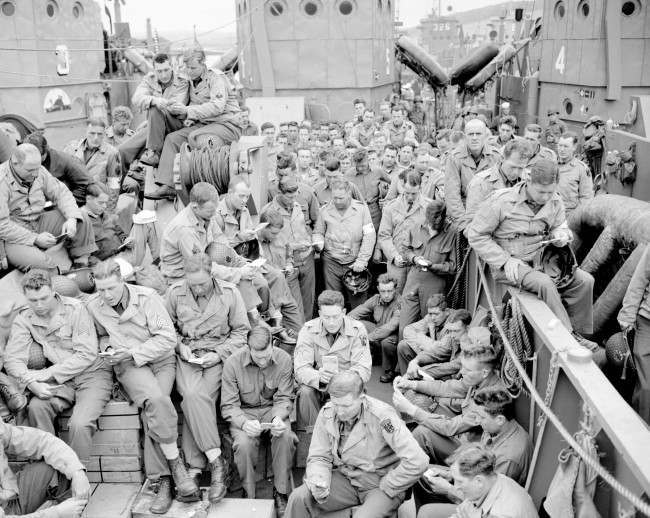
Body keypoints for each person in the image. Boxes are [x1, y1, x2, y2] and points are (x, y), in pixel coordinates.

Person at [87, 259, 199, 514]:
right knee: (157, 400)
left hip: (158, 360)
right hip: (128, 366)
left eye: (111, 289)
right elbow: (99, 336)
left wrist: (132, 351)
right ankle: (177, 467)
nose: (106, 295)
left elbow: (168, 338)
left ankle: (164, 481)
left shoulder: (147, 297)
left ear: (123, 281)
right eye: (101, 289)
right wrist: (107, 349)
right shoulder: (93, 306)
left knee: (154, 408)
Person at [468, 159, 595, 342]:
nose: (545, 197)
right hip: (510, 264)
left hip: (541, 259)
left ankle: (580, 332)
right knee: (544, 284)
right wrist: (505, 260)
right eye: (541, 192)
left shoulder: (555, 201)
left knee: (585, 281)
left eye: (550, 192)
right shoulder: (502, 202)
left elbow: (559, 226)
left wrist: (561, 235)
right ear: (528, 182)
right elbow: (476, 235)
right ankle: (568, 338)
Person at [4, 269, 113, 473]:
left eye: (43, 298)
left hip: (91, 374)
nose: (39, 305)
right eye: (32, 300)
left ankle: (75, 480)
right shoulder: (24, 317)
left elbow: (86, 355)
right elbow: (12, 359)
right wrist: (30, 383)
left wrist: (45, 374)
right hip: (62, 380)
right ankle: (49, 474)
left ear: (53, 291)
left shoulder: (76, 309)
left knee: (79, 424)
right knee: (37, 407)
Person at [285, 371, 428, 518]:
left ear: (361, 398)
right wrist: (319, 480)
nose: (339, 411)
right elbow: (319, 456)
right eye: (336, 404)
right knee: (299, 498)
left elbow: (418, 460)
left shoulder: (383, 417)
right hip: (348, 477)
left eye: (346, 406)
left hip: (379, 483)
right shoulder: (327, 412)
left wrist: (390, 483)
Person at [165, 253, 249, 503]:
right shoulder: (174, 293)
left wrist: (219, 353)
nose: (197, 288)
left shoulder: (230, 293)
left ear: (211, 274)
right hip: (188, 356)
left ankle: (194, 468)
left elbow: (242, 332)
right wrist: (180, 347)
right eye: (193, 284)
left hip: (217, 355)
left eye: (202, 283)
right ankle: (218, 462)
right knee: (192, 395)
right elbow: (165, 330)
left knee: (198, 399)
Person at [143, 48, 241, 201]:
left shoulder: (216, 78)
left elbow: (217, 106)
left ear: (203, 64)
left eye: (193, 68)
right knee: (172, 139)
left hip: (227, 124)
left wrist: (188, 111)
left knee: (195, 137)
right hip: (204, 124)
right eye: (187, 67)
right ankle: (168, 186)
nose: (189, 71)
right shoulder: (189, 80)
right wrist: (181, 112)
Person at [221, 326, 296, 515]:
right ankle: (249, 492)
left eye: (266, 355)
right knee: (244, 444)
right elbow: (228, 405)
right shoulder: (232, 363)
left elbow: (285, 397)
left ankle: (280, 492)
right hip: (244, 413)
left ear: (273, 344)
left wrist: (279, 417)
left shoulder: (284, 359)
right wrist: (244, 423)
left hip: (273, 410)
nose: (263, 361)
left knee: (285, 436)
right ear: (248, 348)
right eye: (257, 356)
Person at [0, 143, 97, 271]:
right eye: (30, 170)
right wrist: (34, 239)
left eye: (37, 168)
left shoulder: (38, 170)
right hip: (13, 235)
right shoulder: (2, 180)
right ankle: (57, 279)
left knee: (80, 217)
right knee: (41, 263)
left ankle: (81, 264)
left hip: (37, 221)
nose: (35, 174)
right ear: (15, 163)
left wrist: (72, 218)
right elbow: (2, 225)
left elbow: (60, 193)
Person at [293, 290, 372, 433]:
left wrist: (343, 379)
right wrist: (318, 377)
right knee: (305, 392)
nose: (331, 322)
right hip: (320, 384)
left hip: (347, 384)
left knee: (353, 396)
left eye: (335, 317)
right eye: (326, 317)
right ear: (319, 313)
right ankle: (314, 434)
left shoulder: (358, 330)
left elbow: (364, 369)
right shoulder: (308, 330)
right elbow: (300, 368)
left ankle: (347, 433)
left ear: (344, 312)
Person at [0, 419, 91, 517]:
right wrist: (57, 513)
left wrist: (77, 472)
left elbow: (41, 441)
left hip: (9, 498)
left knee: (61, 468)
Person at [417, 445, 538, 518]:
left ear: (478, 481)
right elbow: (463, 511)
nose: (456, 487)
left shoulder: (502, 514)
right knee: (426, 512)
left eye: (459, 481)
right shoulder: (488, 480)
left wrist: (449, 490)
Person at [312, 179, 376, 309]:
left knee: (359, 304)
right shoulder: (325, 210)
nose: (337, 201)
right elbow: (318, 232)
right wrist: (318, 242)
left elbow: (369, 235)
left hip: (354, 263)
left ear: (349, 194)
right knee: (333, 301)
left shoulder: (361, 209)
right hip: (331, 263)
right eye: (334, 198)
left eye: (341, 198)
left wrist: (362, 261)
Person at [119, 52, 190, 170]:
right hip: (155, 126)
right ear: (154, 70)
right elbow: (136, 99)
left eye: (166, 70)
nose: (163, 75)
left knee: (155, 109)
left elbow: (176, 108)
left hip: (176, 124)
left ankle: (154, 153)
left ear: (172, 66)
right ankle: (118, 186)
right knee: (123, 151)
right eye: (159, 71)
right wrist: (154, 100)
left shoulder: (182, 81)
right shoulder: (149, 79)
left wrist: (156, 104)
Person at [399, 201, 455, 333]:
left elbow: (453, 267)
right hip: (413, 281)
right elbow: (405, 249)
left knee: (430, 328)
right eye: (431, 222)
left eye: (437, 223)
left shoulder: (452, 232)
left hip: (434, 285)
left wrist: (434, 266)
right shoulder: (417, 226)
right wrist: (414, 258)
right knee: (404, 328)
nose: (433, 226)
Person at [260, 189, 315, 321]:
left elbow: (288, 253)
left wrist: (289, 265)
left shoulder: (280, 237)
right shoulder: (254, 244)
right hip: (269, 289)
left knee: (297, 315)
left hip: (286, 282)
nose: (276, 237)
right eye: (273, 233)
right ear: (263, 227)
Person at [378, 170, 430, 293]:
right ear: (402, 186)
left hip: (418, 264)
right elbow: (384, 236)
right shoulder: (390, 207)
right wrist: (394, 256)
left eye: (414, 193)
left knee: (415, 298)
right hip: (397, 263)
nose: (410, 197)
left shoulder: (428, 207)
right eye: (407, 193)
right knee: (395, 298)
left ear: (420, 188)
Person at [444, 119, 500, 230]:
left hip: (491, 215)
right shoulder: (454, 158)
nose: (474, 138)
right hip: (465, 215)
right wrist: (464, 224)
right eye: (471, 134)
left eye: (478, 134)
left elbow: (502, 191)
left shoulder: (496, 157)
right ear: (465, 137)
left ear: (485, 136)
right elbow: (452, 196)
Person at [464, 139, 531, 228]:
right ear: (502, 158)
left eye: (521, 168)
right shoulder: (480, 183)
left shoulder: (528, 180)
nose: (516, 172)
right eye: (512, 167)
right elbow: (471, 226)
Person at [349, 274, 402, 383]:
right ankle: (373, 355)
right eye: (383, 291)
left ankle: (390, 370)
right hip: (378, 332)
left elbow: (390, 328)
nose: (386, 295)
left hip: (393, 337)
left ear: (395, 289)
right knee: (358, 325)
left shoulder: (400, 303)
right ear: (378, 289)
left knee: (386, 342)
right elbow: (357, 312)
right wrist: (343, 322)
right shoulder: (376, 299)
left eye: (389, 291)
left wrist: (364, 339)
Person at [618, 245, 650, 424]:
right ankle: (642, 431)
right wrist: (628, 315)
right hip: (647, 322)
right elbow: (640, 279)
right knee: (647, 387)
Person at [23, 132, 93, 206]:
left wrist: (66, 203)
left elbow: (87, 184)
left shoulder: (66, 161)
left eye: (36, 158)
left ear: (45, 152)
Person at [402, 310, 474, 382]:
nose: (452, 335)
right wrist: (415, 361)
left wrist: (419, 372)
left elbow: (451, 367)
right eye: (450, 331)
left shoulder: (472, 347)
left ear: (468, 329)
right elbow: (435, 351)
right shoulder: (452, 338)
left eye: (456, 331)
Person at [63, 118, 122, 205]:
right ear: (86, 132)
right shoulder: (71, 148)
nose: (96, 138)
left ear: (104, 134)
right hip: (73, 201)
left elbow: (114, 187)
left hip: (97, 203)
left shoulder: (112, 153)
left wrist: (109, 212)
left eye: (99, 134)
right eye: (92, 133)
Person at [396, 294, 450, 374]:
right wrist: (423, 350)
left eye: (436, 314)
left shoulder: (453, 322)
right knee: (403, 345)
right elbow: (408, 330)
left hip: (444, 362)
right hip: (429, 354)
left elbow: (443, 350)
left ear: (446, 312)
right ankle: (406, 381)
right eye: (430, 314)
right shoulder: (430, 317)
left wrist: (424, 341)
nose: (433, 318)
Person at [345, 148, 391, 231]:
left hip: (375, 211)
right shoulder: (348, 175)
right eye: (358, 166)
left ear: (368, 160)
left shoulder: (377, 171)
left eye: (363, 166)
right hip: (357, 211)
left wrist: (387, 199)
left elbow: (393, 183)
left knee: (375, 236)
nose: (360, 169)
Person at [82, 184, 129, 262]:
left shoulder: (104, 214)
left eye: (106, 203)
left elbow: (118, 230)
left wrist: (125, 239)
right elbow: (83, 253)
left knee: (147, 222)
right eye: (101, 203)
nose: (104, 206)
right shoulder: (81, 221)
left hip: (123, 252)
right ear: (88, 199)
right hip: (106, 262)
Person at [556, 132, 593, 218]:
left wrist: (575, 217)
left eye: (566, 146)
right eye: (560, 145)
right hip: (549, 214)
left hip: (569, 216)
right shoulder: (550, 163)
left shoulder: (581, 169)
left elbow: (586, 198)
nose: (562, 149)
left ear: (574, 147)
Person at [213, 175, 255, 250]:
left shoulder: (244, 210)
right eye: (241, 196)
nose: (245, 201)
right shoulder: (217, 214)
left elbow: (251, 236)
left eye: (247, 197)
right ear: (230, 193)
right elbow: (216, 247)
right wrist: (240, 238)